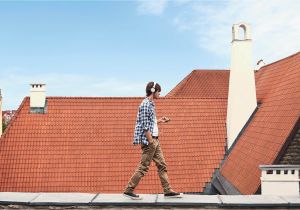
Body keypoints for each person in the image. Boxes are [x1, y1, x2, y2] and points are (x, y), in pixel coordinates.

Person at [123, 81, 181, 200]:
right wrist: (150, 141)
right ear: (153, 91)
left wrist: (160, 120)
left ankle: (167, 190)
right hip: (150, 141)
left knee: (162, 165)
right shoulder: (145, 105)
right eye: (159, 91)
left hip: (155, 140)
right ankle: (128, 190)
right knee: (143, 167)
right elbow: (145, 126)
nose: (160, 94)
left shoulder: (151, 104)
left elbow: (149, 122)